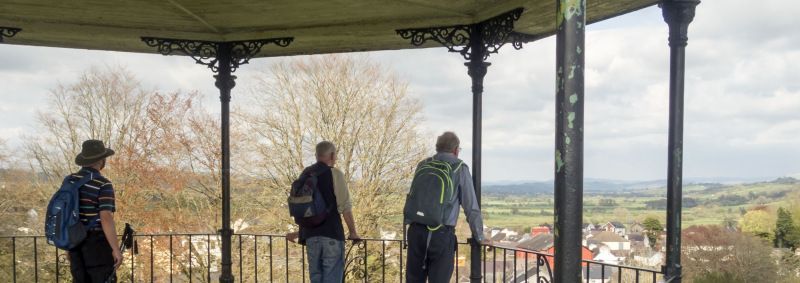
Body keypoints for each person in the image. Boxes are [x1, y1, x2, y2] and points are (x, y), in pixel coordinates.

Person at [406, 132, 489, 283]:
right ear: (456, 150)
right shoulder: (459, 168)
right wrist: (480, 236)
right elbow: (471, 207)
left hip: (415, 231)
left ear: (437, 148)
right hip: (441, 234)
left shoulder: (423, 164)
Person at [287, 141, 360, 283]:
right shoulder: (335, 174)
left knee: (316, 278)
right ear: (332, 155)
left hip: (310, 237)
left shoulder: (306, 174)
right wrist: (353, 232)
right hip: (331, 234)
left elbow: (305, 208)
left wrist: (299, 233)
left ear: (316, 155)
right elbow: (345, 206)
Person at [68, 139, 122, 282]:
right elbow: (106, 217)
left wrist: (68, 246)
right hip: (97, 245)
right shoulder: (103, 184)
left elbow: (66, 215)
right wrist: (116, 249)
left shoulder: (70, 181)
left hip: (74, 243)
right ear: (101, 160)